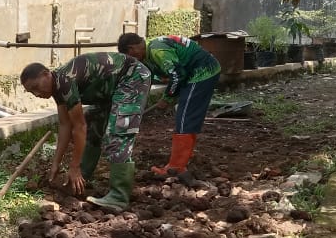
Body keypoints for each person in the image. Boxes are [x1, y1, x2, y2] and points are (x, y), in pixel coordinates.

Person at [20, 52, 151, 212]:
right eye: (31, 92)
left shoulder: (65, 81)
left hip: (132, 78)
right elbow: (65, 125)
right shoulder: (57, 87)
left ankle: (118, 196)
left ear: (46, 74)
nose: (37, 94)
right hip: (110, 90)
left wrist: (73, 166)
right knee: (94, 124)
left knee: (118, 133)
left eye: (36, 87)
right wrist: (56, 163)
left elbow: (79, 127)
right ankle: (82, 179)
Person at [117, 33, 221, 176]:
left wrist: (167, 98)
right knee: (185, 117)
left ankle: (176, 167)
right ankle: (181, 160)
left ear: (132, 48)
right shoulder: (150, 49)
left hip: (202, 72)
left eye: (131, 56)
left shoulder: (157, 50)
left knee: (185, 118)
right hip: (191, 73)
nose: (133, 60)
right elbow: (157, 77)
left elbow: (177, 75)